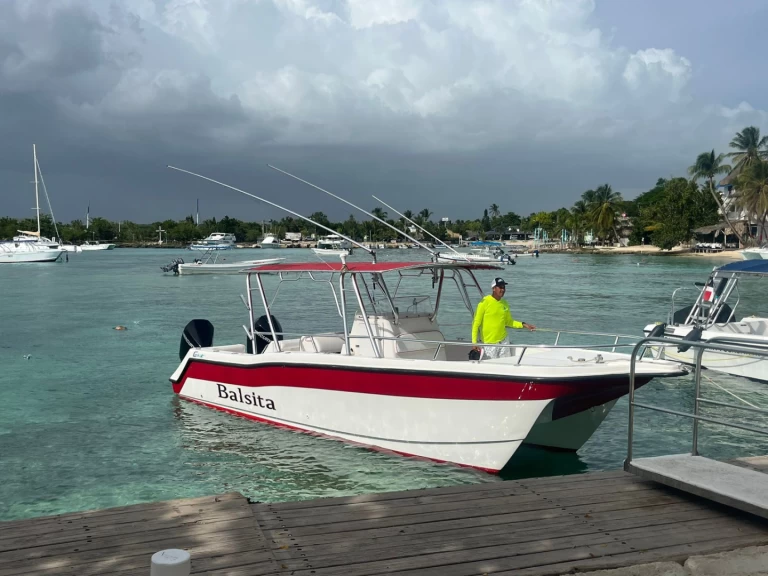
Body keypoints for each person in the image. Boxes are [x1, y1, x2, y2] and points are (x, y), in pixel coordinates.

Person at [472, 277, 535, 359]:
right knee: (491, 367)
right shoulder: (484, 302)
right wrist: (474, 343)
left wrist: (524, 324)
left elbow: (509, 322)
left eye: (504, 287)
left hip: (504, 341)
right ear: (494, 288)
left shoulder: (504, 303)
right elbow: (476, 324)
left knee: (506, 364)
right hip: (489, 343)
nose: (503, 289)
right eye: (500, 287)